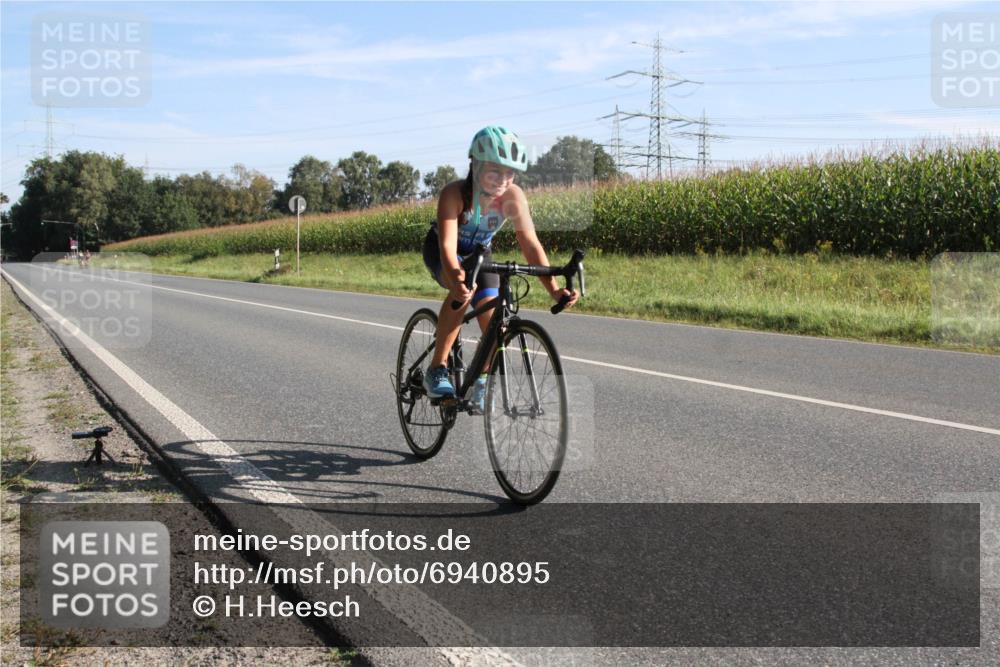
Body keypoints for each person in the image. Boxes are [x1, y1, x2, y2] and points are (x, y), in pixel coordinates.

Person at [421, 125, 579, 408]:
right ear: (476, 165)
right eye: (495, 171)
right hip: (442, 250)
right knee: (463, 292)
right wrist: (457, 277)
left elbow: (530, 243)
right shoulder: (454, 194)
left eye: (510, 173)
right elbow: (446, 246)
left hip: (481, 253)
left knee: (494, 318)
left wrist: (554, 290)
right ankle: (437, 369)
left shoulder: (513, 197)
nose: (503, 180)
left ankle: (482, 379)